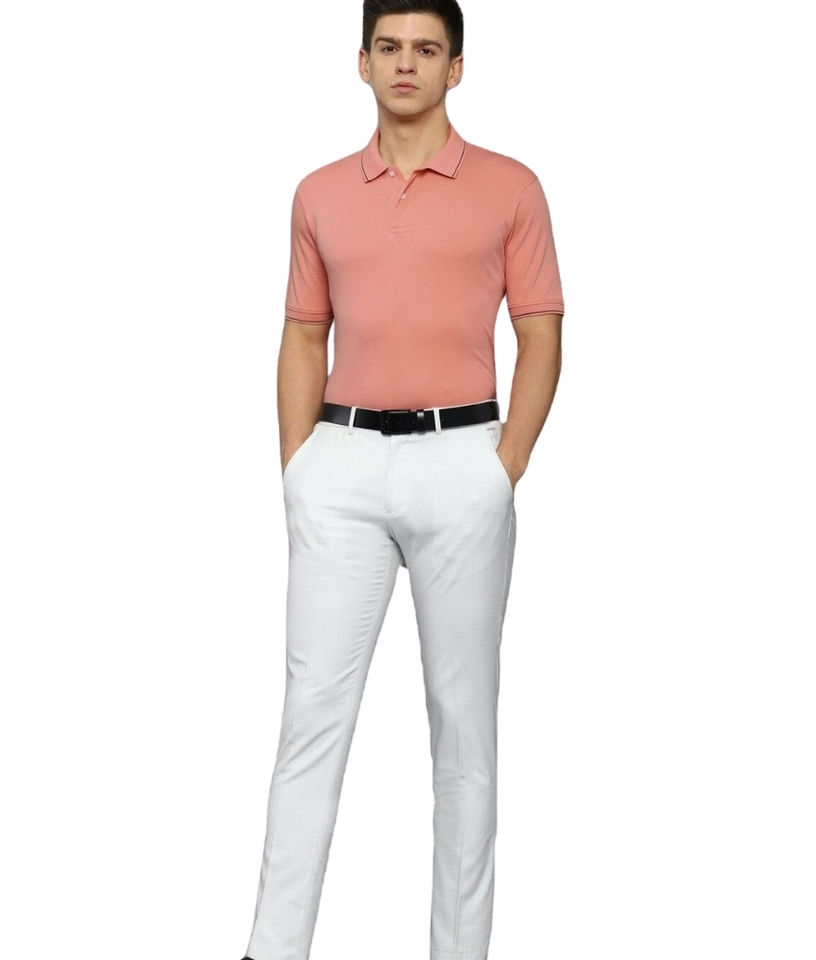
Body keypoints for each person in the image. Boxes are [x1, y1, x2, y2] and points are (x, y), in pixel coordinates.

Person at [242, 2, 564, 958]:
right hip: (340, 462)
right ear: (362, 62)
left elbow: (540, 331)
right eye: (389, 47)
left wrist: (505, 467)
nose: (406, 64)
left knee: (463, 733)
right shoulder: (318, 193)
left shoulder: (511, 187)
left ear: (456, 68)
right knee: (310, 718)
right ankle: (272, 948)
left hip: (463, 459)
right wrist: (298, 465)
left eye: (427, 49)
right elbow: (304, 332)